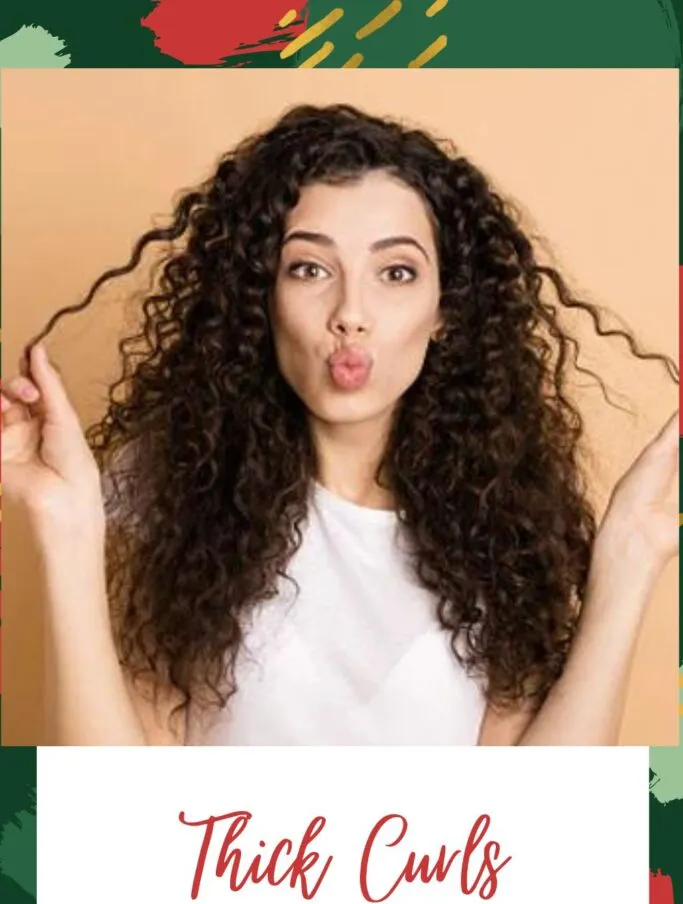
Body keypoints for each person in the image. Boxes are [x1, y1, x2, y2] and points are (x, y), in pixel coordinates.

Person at [2, 103, 678, 747]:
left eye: (395, 272)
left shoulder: (498, 528)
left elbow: (535, 817)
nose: (350, 312)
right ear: (259, 298)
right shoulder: (180, 489)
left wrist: (629, 557)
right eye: (309, 268)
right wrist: (66, 528)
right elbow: (119, 807)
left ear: (446, 309)